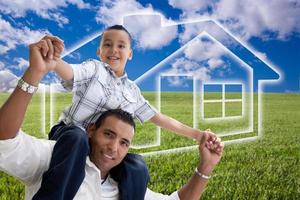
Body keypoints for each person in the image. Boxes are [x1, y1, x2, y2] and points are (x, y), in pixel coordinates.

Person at [6, 25, 222, 199]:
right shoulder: (94, 69)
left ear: (130, 54)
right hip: (69, 137)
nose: (113, 50)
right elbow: (70, 72)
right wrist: (52, 63)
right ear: (99, 51)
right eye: (107, 45)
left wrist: (197, 135)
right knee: (78, 137)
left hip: (99, 145)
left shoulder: (132, 91)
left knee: (136, 165)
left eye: (121, 46)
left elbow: (160, 118)